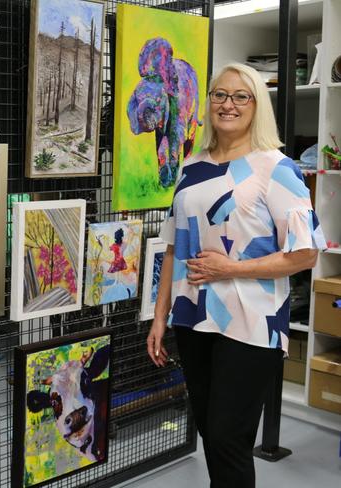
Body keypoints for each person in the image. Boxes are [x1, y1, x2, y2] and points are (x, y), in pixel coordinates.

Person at [146, 63, 326, 488]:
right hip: (193, 315)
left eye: (240, 96)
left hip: (250, 322)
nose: (228, 104)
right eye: (220, 95)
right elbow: (173, 246)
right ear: (208, 103)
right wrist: (159, 317)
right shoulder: (191, 166)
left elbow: (305, 255)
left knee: (228, 436)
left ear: (256, 105)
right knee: (212, 431)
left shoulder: (277, 168)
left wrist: (232, 268)